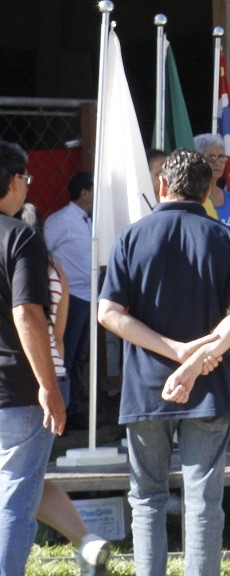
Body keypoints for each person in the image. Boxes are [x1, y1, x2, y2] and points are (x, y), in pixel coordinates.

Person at [97, 149, 230, 576]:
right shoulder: (224, 238)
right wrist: (199, 356)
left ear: (162, 185)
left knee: (147, 498)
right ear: (207, 192)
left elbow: (108, 314)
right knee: (203, 500)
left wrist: (174, 351)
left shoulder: (130, 238)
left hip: (145, 387)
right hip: (208, 387)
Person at [20, 204, 111, 575]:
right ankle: (87, 541)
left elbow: (24, 321)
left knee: (21, 480)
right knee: (29, 479)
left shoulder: (14, 264)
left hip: (19, 381)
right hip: (52, 375)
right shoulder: (56, 270)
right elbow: (57, 338)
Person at [0, 143, 65, 576]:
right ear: (13, 181)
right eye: (26, 177)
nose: (27, 186)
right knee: (15, 501)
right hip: (16, 389)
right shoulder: (20, 236)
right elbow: (27, 313)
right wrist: (49, 385)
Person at [42, 171, 93, 424]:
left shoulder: (89, 220)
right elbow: (43, 251)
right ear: (84, 193)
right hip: (69, 297)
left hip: (89, 295)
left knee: (79, 355)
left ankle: (73, 408)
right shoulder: (61, 220)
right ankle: (63, 409)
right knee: (67, 354)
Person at [193, 133, 230, 235]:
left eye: (221, 157)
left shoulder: (229, 198)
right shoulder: (192, 198)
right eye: (211, 158)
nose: (217, 163)